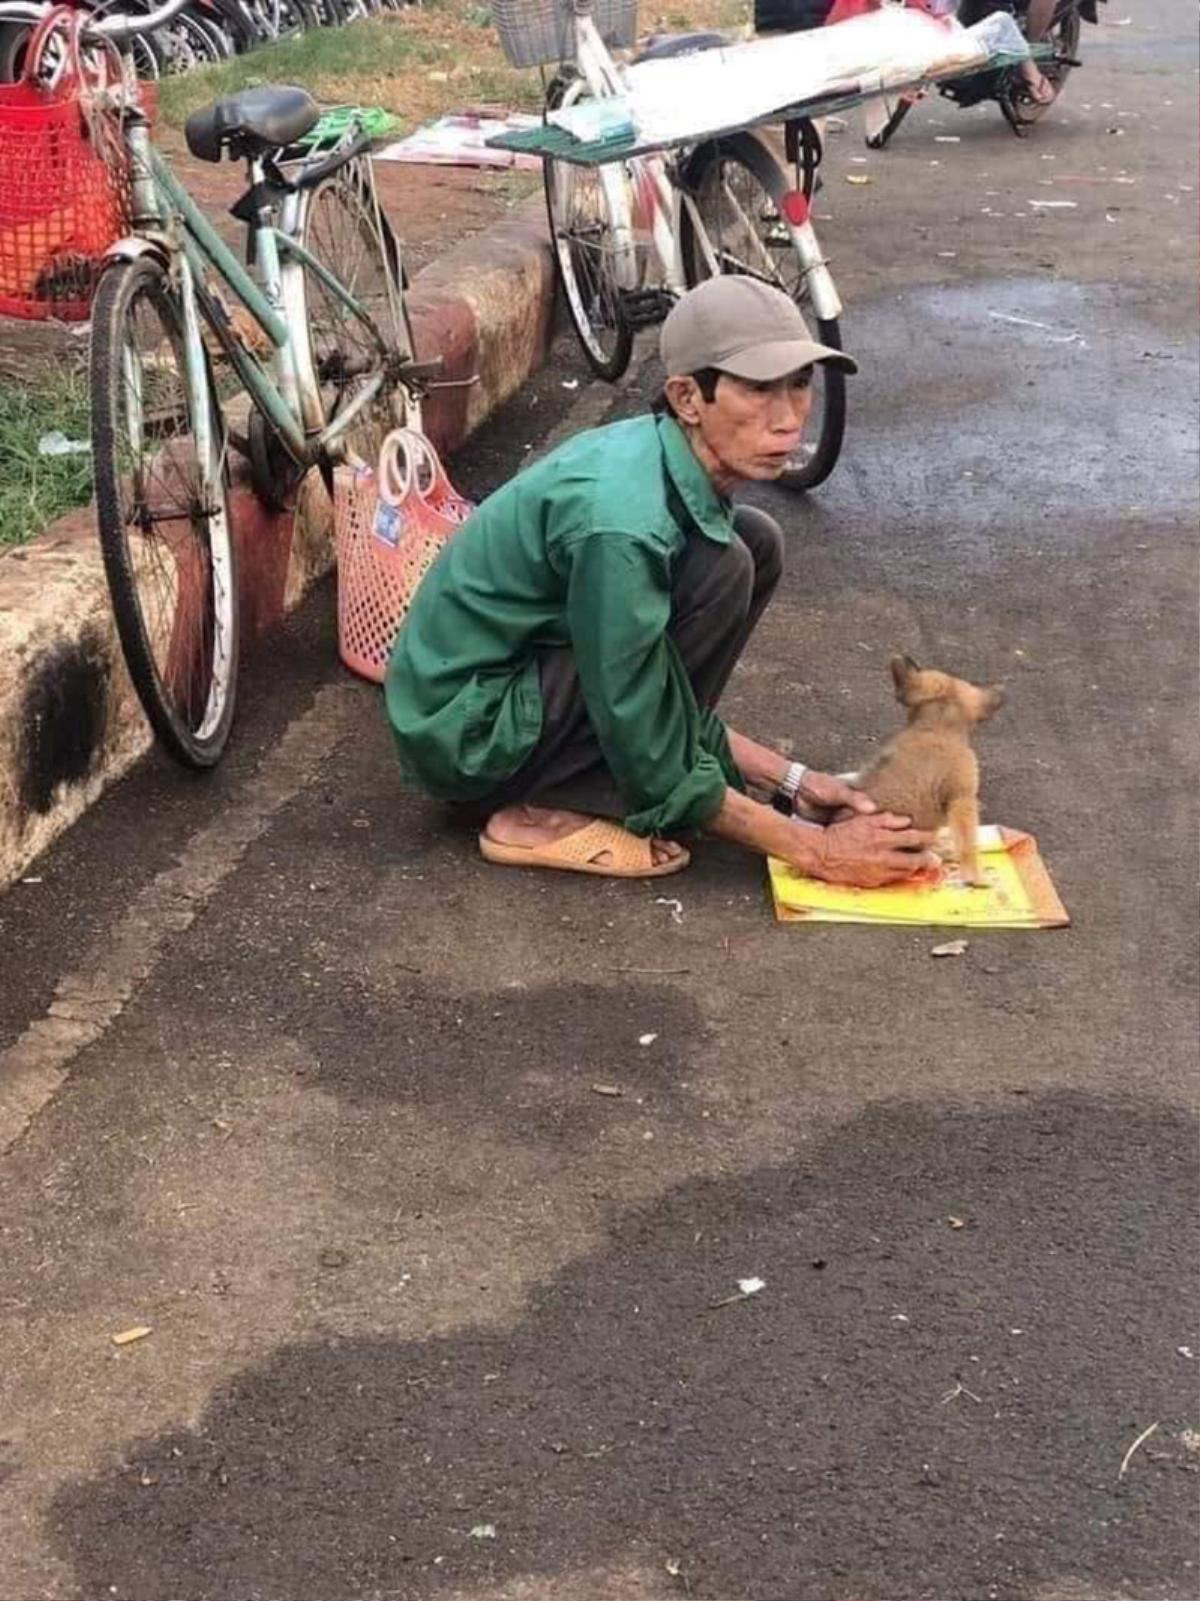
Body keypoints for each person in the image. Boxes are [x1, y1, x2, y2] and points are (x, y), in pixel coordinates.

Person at [384, 275, 938, 885]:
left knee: (750, 543)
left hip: (527, 680)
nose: (787, 420)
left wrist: (794, 784)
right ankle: (541, 810)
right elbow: (639, 709)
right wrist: (816, 851)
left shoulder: (663, 463)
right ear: (687, 398)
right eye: (757, 389)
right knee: (725, 566)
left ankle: (621, 782)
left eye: (800, 385)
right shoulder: (625, 523)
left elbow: (656, 693)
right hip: (467, 734)